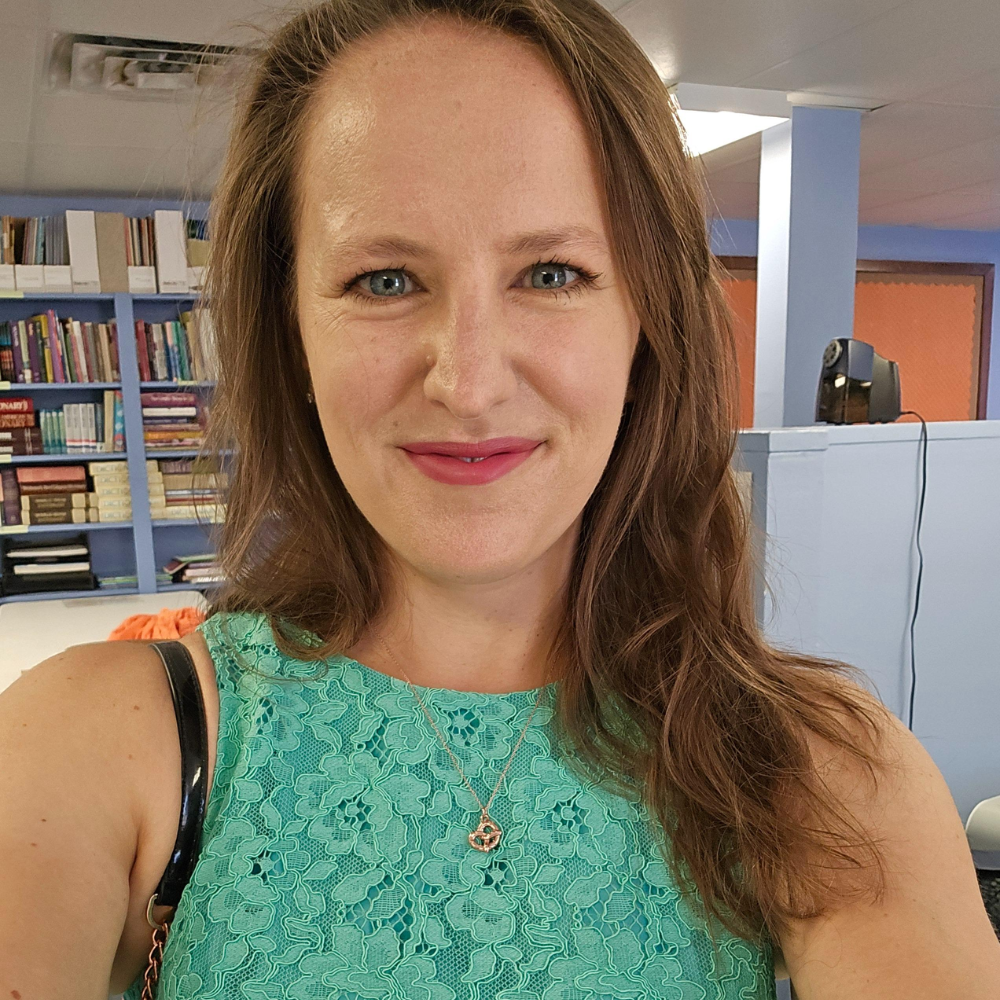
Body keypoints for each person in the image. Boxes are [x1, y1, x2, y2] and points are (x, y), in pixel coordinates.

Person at [2, 1, 999, 997]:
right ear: (292, 328)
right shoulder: (94, 744)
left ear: (643, 323)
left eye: (551, 272)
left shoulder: (820, 772)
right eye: (385, 278)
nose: (468, 382)